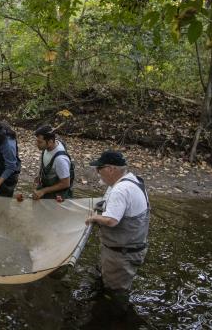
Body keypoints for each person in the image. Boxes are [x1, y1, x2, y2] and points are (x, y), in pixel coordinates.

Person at [85, 151, 150, 310]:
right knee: (107, 283)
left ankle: (118, 318)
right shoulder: (133, 180)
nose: (97, 172)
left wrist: (94, 218)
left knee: (116, 294)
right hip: (133, 248)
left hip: (121, 255)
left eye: (99, 168)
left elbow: (111, 220)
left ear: (110, 169)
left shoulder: (120, 190)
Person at [32, 125, 74, 200]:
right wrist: (40, 176)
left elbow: (66, 183)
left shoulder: (60, 159)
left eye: (39, 142)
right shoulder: (48, 146)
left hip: (58, 196)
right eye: (36, 141)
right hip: (47, 188)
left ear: (50, 142)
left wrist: (43, 191)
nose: (36, 144)